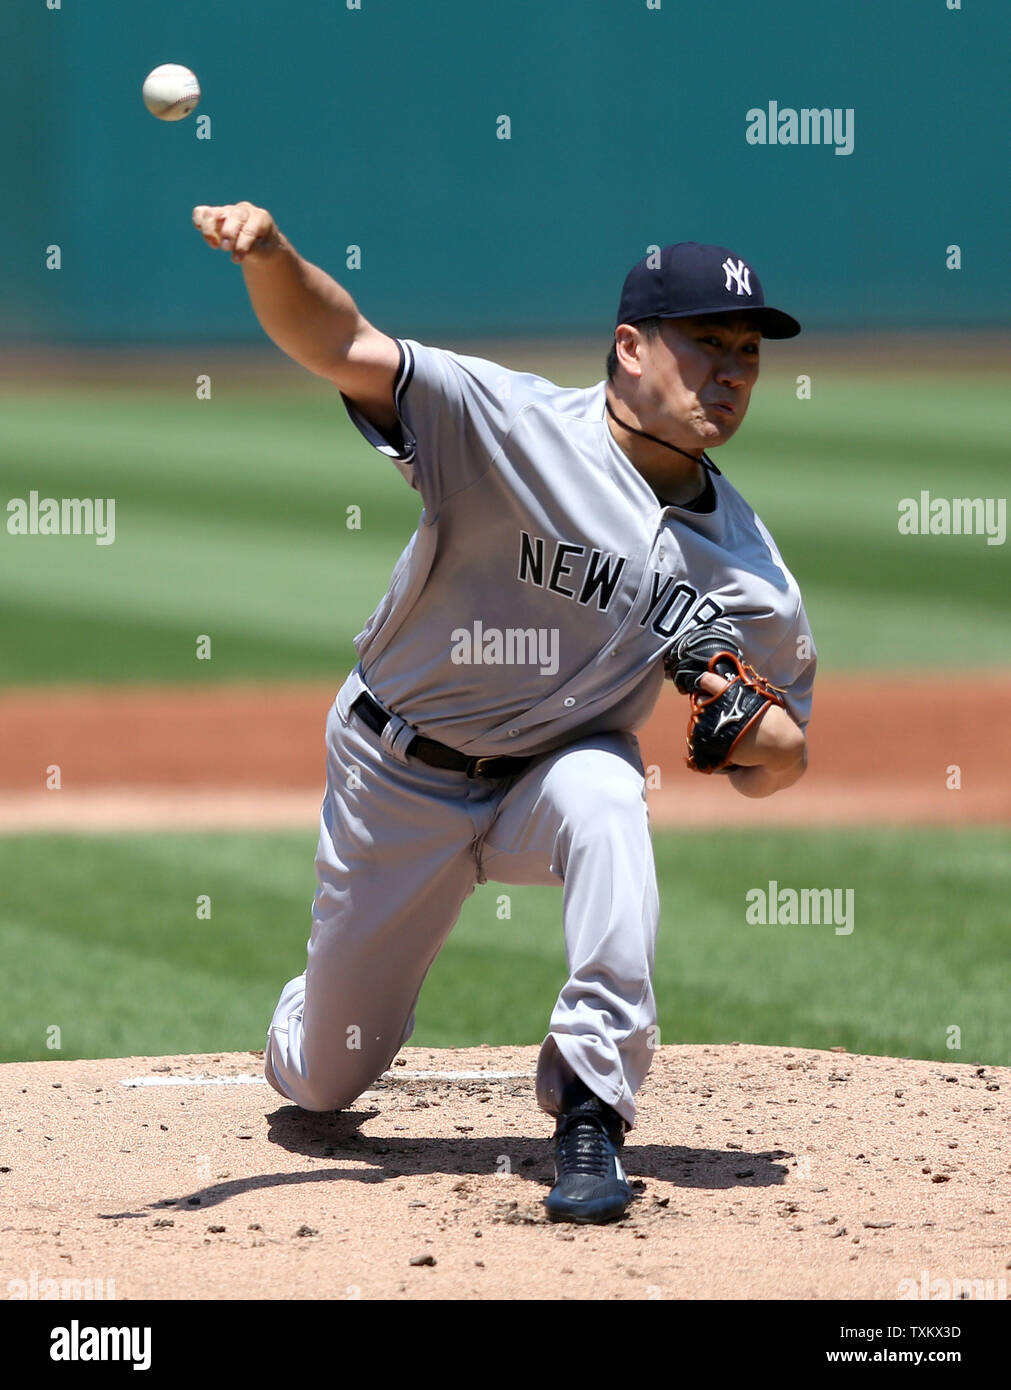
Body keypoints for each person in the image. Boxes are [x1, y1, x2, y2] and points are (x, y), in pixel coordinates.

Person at [192, 204, 816, 1224]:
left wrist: (751, 726)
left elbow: (783, 754)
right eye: (707, 343)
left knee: (611, 793)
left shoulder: (749, 570)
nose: (732, 371)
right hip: (398, 773)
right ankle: (307, 1026)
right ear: (628, 348)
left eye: (747, 352)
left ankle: (589, 1104)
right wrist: (272, 257)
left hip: (552, 777)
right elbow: (342, 342)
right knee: (322, 1078)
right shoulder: (507, 425)